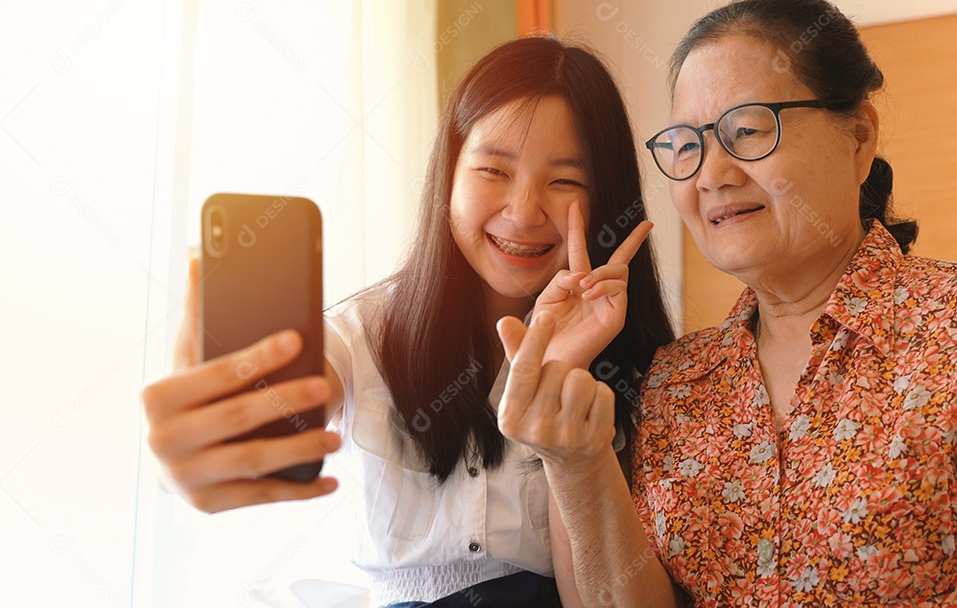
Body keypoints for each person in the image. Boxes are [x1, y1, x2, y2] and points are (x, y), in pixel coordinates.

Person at [496, 1, 957, 606]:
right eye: (687, 145)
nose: (711, 174)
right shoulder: (674, 385)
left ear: (859, 138)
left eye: (748, 130)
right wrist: (575, 457)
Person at [140, 36, 675, 608]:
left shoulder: (647, 375)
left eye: (565, 181)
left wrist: (565, 380)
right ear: (449, 175)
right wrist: (201, 445)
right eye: (493, 169)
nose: (523, 212)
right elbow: (285, 404)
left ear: (606, 197)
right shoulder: (361, 336)